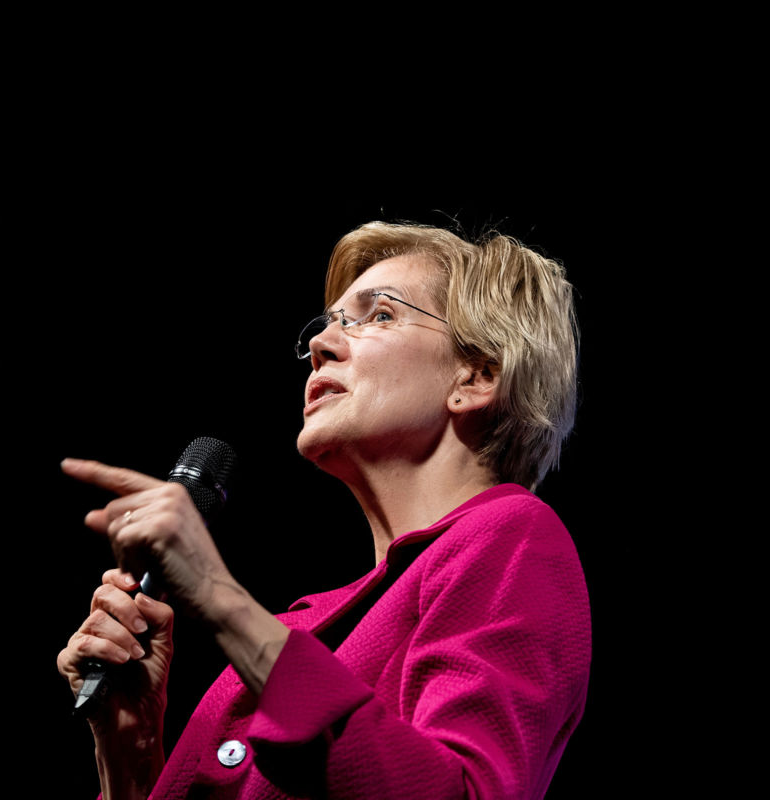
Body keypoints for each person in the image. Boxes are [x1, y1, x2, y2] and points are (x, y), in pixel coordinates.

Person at [57, 221, 592, 799]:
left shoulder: (513, 538)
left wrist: (218, 598)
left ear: (476, 376)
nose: (320, 344)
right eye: (330, 322)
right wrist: (130, 763)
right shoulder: (302, 623)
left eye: (378, 315)